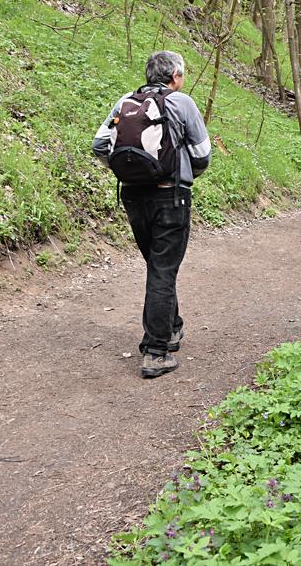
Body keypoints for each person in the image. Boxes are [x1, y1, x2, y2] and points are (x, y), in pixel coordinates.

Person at [92, 51, 211, 378]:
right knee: (162, 269)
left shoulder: (126, 101)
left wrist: (132, 172)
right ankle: (156, 352)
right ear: (175, 75)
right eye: (182, 74)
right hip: (171, 197)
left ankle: (171, 327)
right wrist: (181, 174)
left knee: (159, 266)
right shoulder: (182, 103)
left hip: (133, 196)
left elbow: (100, 145)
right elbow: (202, 155)